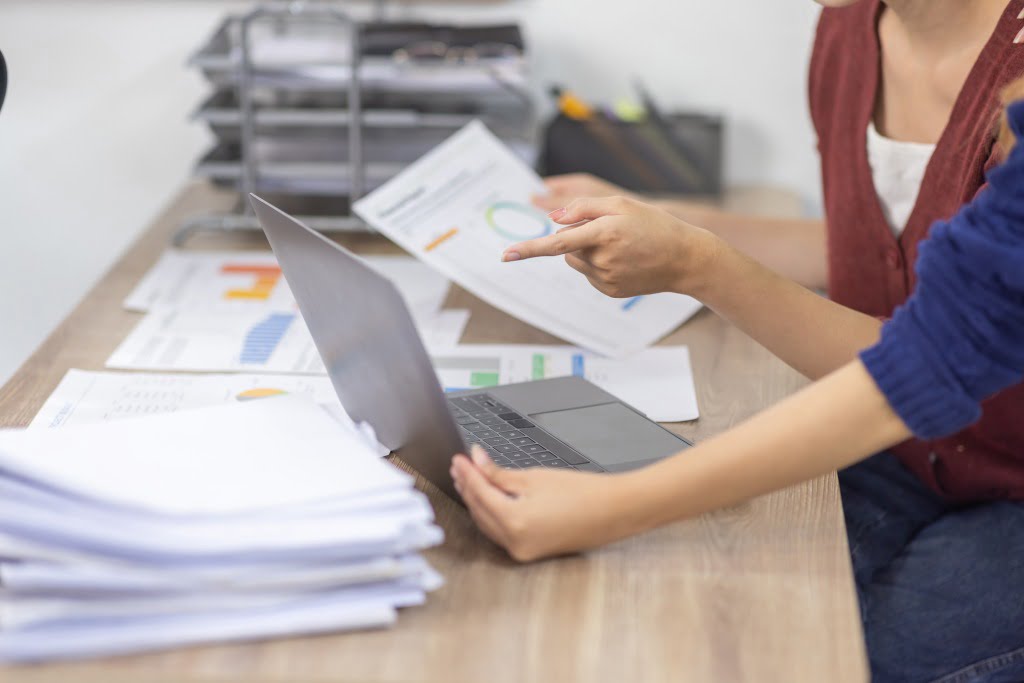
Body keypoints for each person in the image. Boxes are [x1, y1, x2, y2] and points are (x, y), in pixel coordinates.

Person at [453, 0, 1024, 679]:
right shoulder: (848, 31)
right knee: (728, 603)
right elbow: (886, 254)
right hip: (906, 451)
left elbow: (933, 357)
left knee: (854, 654)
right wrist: (675, 223)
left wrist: (701, 265)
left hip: (999, 472)